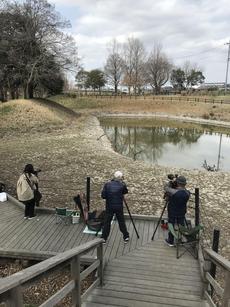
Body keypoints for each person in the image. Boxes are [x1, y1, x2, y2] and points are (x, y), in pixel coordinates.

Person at [101, 171, 129, 244]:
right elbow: (125, 192)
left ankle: (104, 238)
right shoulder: (122, 185)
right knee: (121, 222)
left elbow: (103, 196)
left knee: (107, 222)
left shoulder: (107, 184)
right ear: (121, 177)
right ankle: (126, 236)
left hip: (109, 206)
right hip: (119, 207)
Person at [164, 175, 190, 246]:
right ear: (185, 184)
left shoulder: (173, 192)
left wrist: (170, 182)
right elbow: (183, 189)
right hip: (182, 212)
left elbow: (165, 187)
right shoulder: (188, 193)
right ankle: (181, 239)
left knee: (171, 224)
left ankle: (170, 241)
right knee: (181, 224)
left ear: (177, 183)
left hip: (172, 211)